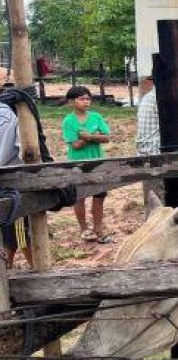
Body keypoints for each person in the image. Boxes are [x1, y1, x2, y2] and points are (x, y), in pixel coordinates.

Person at [62, 86, 112, 243]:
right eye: (81, 99)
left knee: (99, 196)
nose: (86, 102)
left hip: (97, 163)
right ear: (71, 101)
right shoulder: (68, 121)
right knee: (80, 197)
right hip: (77, 165)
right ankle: (84, 229)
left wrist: (87, 136)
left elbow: (107, 137)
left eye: (88, 99)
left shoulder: (96, 117)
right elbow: (75, 145)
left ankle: (98, 228)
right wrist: (94, 136)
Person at [135, 75, 164, 210]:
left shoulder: (149, 97)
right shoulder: (161, 99)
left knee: (154, 203)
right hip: (156, 157)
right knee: (157, 206)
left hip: (149, 155)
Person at [0, 102, 24, 267]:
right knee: (19, 235)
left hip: (8, 181)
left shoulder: (7, 113)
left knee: (16, 235)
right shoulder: (10, 114)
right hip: (10, 180)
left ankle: (8, 268)